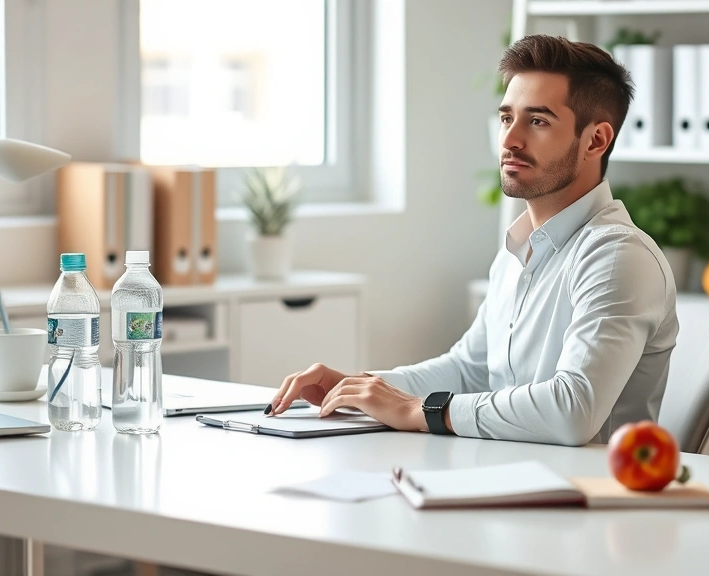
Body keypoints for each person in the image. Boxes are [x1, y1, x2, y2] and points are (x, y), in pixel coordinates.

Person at [269, 35, 678, 446]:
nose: (509, 141)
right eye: (506, 119)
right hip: (507, 480)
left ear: (595, 140)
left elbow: (573, 411)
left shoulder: (616, 257)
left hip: (588, 498)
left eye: (537, 121)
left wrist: (417, 410)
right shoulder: (520, 249)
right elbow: (471, 370)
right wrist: (363, 388)